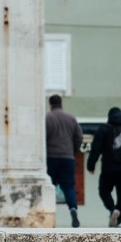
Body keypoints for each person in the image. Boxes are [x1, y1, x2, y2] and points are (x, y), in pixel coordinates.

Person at [85, 107, 121, 227]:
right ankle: (120, 220)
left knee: (104, 191)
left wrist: (91, 166)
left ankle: (113, 210)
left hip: (108, 168)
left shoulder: (103, 130)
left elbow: (95, 149)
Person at [45, 95, 84, 227]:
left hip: (51, 157)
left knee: (50, 186)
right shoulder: (71, 119)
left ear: (50, 104)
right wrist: (73, 151)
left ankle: (48, 213)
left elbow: (42, 138)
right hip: (68, 158)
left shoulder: (47, 118)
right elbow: (79, 137)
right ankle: (73, 209)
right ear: (61, 103)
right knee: (69, 186)